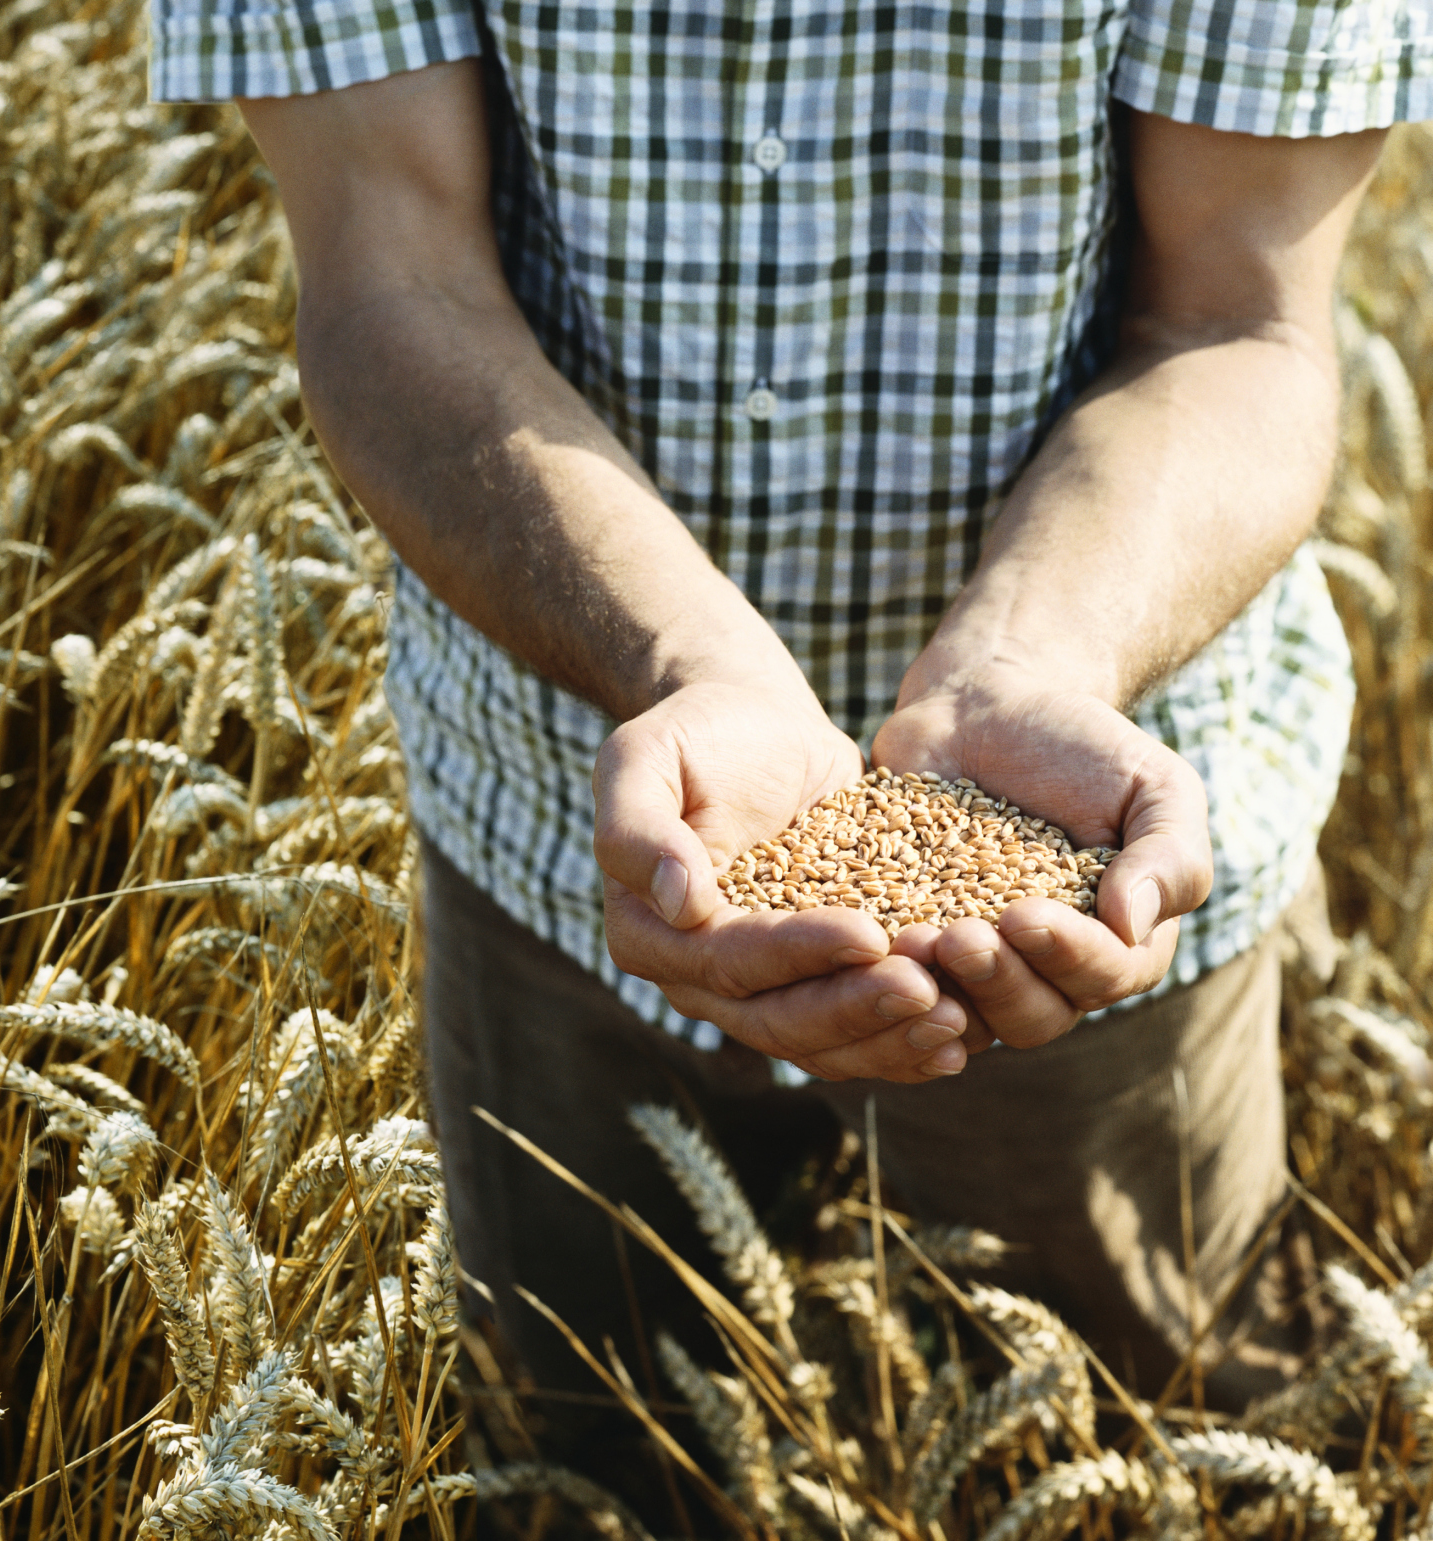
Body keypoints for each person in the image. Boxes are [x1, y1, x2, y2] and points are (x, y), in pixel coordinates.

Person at [150, 0, 1431, 1495]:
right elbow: (388, 277)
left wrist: (1037, 660)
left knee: (1147, 1463)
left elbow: (1235, 320)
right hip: (560, 819)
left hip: (1076, 844)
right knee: (593, 1469)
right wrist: (679, 662)